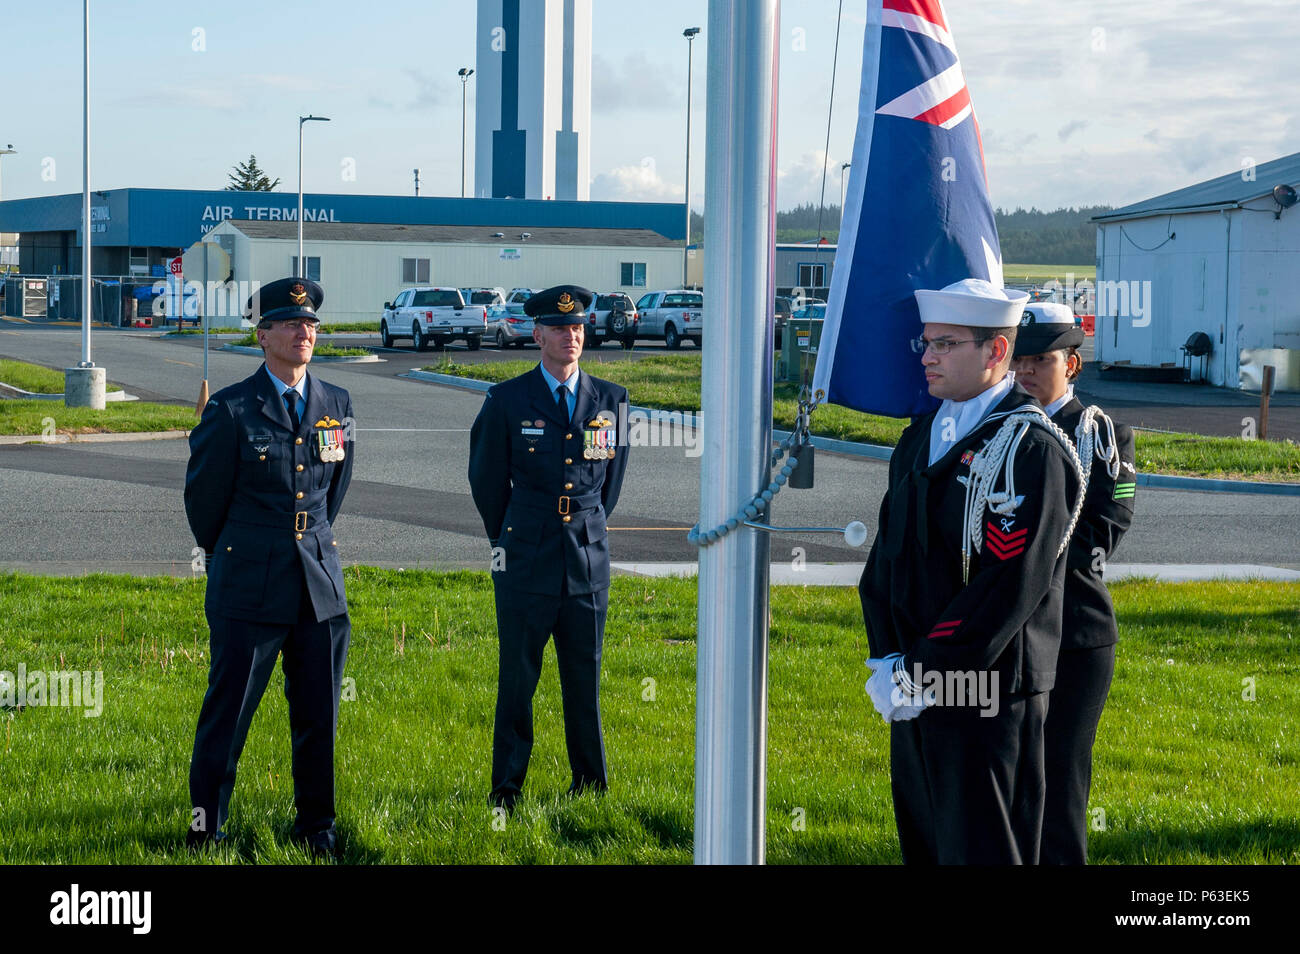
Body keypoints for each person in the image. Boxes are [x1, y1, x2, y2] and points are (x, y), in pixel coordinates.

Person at [858, 278, 1084, 864]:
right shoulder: (921, 438)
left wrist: (921, 669)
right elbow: (888, 560)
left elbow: (1005, 588)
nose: (927, 357)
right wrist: (888, 658)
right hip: (912, 686)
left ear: (997, 351)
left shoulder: (1029, 450)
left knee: (983, 851)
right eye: (927, 343)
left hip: (987, 692)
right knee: (927, 846)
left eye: (947, 344)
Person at [183, 277, 355, 858]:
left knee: (319, 715)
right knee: (228, 716)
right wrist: (239, 553)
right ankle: (206, 828)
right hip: (249, 585)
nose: (304, 332)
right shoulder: (232, 408)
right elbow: (204, 504)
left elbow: (332, 492)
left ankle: (317, 827)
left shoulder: (336, 404)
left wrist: (309, 542)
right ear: (263, 335)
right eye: (291, 323)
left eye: (310, 324)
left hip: (318, 585)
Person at [467, 284, 629, 812]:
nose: (570, 336)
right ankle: (506, 791)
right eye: (559, 329)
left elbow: (610, 485)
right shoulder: (507, 400)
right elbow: (486, 479)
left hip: (587, 556)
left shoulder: (611, 400)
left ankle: (590, 787)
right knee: (518, 679)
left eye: (577, 327)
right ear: (537, 335)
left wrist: (587, 526)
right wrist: (510, 535)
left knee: (585, 677)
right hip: (526, 556)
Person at [1011, 303, 1136, 864]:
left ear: (1073, 364)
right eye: (1019, 359)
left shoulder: (1101, 435)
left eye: (1041, 359)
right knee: (1009, 775)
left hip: (1074, 634)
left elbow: (1099, 533)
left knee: (1059, 780)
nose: (1026, 370)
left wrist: (1013, 560)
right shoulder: (999, 431)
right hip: (1008, 633)